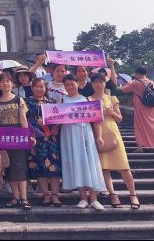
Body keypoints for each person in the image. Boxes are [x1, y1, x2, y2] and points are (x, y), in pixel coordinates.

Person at [90, 73, 140, 209]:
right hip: (98, 134)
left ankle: (133, 194)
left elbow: (119, 119)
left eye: (101, 81)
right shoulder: (88, 100)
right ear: (92, 84)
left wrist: (111, 113)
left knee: (124, 166)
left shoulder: (112, 98)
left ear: (105, 83)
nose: (98, 84)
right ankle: (112, 194)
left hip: (113, 132)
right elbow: (93, 121)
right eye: (95, 82)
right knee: (105, 167)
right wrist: (98, 136)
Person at [60, 74, 106, 211]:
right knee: (76, 163)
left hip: (85, 133)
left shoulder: (86, 100)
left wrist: (99, 137)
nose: (69, 87)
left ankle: (94, 198)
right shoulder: (61, 100)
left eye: (72, 84)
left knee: (90, 163)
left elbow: (96, 121)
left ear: (77, 84)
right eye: (67, 85)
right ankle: (83, 198)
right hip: (69, 134)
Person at [0, 72, 32, 210]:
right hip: (3, 135)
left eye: (8, 81)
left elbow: (23, 119)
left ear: (12, 83)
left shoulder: (18, 99)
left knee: (20, 166)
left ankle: (24, 198)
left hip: (17, 134)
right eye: (2, 81)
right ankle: (15, 197)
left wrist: (26, 135)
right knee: (9, 167)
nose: (5, 83)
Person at [26, 78, 62, 207]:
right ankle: (46, 194)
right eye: (36, 86)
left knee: (54, 167)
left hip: (50, 139)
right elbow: (24, 120)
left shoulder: (51, 102)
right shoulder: (26, 101)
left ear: (45, 88)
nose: (39, 89)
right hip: (35, 138)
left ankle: (55, 195)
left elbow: (58, 119)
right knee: (39, 166)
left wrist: (52, 126)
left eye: (41, 86)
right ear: (32, 87)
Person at [121, 67, 154, 153]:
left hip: (141, 108)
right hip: (152, 108)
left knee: (140, 127)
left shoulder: (135, 83)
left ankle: (140, 147)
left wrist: (129, 82)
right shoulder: (151, 82)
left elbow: (124, 90)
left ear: (137, 73)